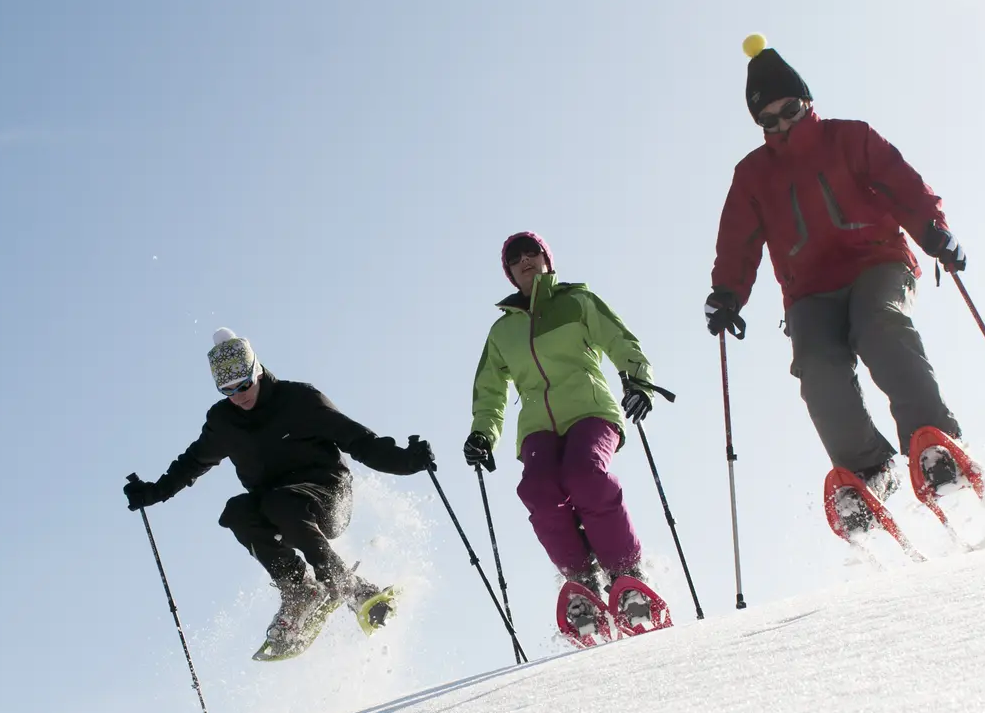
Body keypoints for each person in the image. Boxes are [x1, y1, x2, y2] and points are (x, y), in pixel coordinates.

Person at [704, 35, 975, 532]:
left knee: (879, 325)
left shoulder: (849, 137)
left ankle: (934, 443)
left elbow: (903, 184)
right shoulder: (752, 175)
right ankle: (871, 472)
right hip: (809, 292)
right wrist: (726, 294)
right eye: (768, 119)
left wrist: (933, 229)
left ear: (806, 100)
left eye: (788, 109)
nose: (781, 123)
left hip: (877, 264)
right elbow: (738, 243)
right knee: (816, 366)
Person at [124, 329, 434, 648]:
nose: (239, 395)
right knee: (237, 512)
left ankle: (349, 586)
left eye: (244, 384)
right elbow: (191, 463)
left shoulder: (299, 400)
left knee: (280, 502)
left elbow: (358, 440)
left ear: (257, 369)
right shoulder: (224, 422)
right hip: (278, 505)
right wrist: (153, 492)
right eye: (228, 390)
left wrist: (405, 460)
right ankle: (300, 589)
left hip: (327, 496)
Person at [465, 231, 662, 637]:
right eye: (515, 257)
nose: (525, 260)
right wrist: (483, 434)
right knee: (538, 489)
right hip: (538, 425)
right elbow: (490, 390)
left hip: (590, 410)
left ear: (546, 259)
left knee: (584, 473)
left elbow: (620, 340)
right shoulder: (502, 333)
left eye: (531, 252)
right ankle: (583, 583)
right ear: (509, 272)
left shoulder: (577, 301)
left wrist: (639, 383)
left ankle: (626, 573)